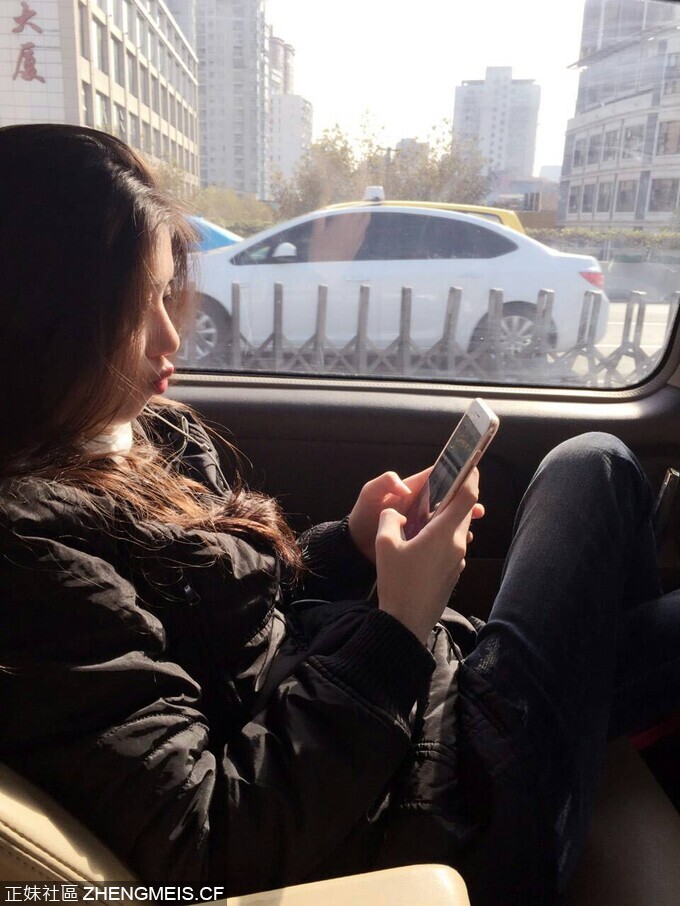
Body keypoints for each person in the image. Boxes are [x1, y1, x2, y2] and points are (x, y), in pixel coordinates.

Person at [0, 123, 678, 906]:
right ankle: (573, 788)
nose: (170, 335)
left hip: (413, 721)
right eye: (137, 305)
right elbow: (212, 840)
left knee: (594, 466)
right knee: (593, 463)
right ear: (45, 322)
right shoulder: (30, 557)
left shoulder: (134, 433)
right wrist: (399, 627)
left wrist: (349, 546)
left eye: (164, 293)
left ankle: (603, 749)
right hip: (446, 814)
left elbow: (233, 623)